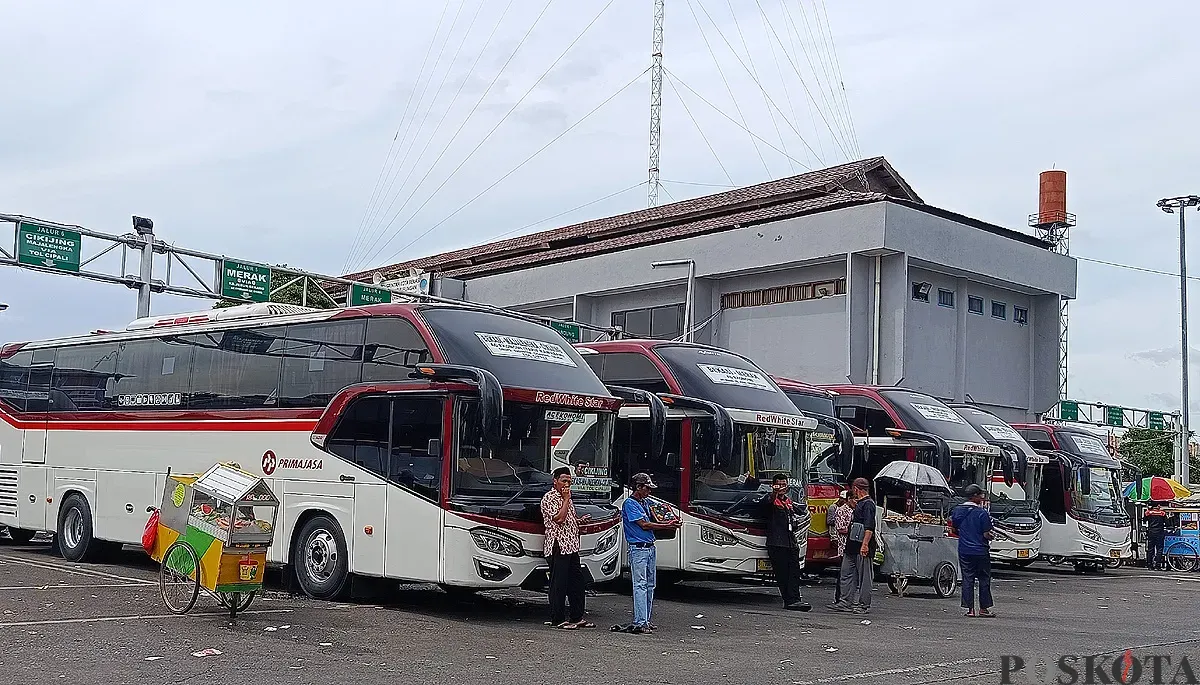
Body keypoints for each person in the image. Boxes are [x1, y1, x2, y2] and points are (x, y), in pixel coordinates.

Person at [622, 472, 682, 634]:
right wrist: (667, 526)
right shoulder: (630, 503)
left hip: (649, 547)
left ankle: (645, 620)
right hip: (639, 548)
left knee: (649, 585)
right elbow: (644, 524)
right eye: (647, 488)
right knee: (640, 585)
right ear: (638, 487)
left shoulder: (645, 502)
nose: (649, 491)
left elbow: (660, 514)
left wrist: (670, 520)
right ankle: (640, 621)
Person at [540, 467, 593, 629]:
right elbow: (559, 519)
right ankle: (558, 619)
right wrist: (565, 499)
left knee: (577, 583)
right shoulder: (549, 498)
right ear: (555, 480)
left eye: (569, 482)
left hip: (571, 546)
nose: (567, 485)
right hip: (558, 546)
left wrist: (579, 520)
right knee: (559, 584)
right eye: (564, 481)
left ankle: (577, 617)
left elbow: (569, 519)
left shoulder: (567, 499)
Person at [760, 473, 812, 611]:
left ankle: (796, 599)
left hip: (790, 542)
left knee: (794, 573)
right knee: (783, 574)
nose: (782, 487)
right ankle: (789, 600)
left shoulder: (788, 502)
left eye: (784, 484)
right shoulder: (770, 501)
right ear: (773, 485)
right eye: (779, 485)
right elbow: (765, 506)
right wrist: (774, 493)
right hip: (777, 543)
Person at [949, 484, 996, 618]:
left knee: (967, 578)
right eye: (980, 495)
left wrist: (965, 535)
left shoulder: (957, 510)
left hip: (964, 550)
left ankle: (970, 609)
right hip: (980, 550)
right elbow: (987, 534)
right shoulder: (982, 513)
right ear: (975, 496)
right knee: (984, 579)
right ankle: (984, 608)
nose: (982, 498)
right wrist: (991, 536)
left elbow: (954, 530)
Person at [830, 478, 876, 615]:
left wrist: (865, 545)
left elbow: (869, 527)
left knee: (864, 577)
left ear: (856, 489)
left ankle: (863, 604)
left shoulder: (868, 504)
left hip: (861, 545)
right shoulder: (860, 504)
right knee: (846, 573)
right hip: (851, 546)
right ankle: (845, 601)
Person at [831, 490, 855, 605]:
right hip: (844, 547)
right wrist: (853, 530)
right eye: (854, 499)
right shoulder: (841, 511)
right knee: (843, 575)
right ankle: (839, 598)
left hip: (853, 546)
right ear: (848, 499)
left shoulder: (854, 510)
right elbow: (840, 529)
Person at [1145, 502, 1168, 571]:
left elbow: (1144, 520)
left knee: (1150, 549)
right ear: (1158, 505)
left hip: (1151, 532)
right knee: (1159, 549)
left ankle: (1149, 565)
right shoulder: (1162, 513)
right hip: (1160, 532)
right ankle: (1158, 565)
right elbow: (1167, 523)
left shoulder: (1148, 513)